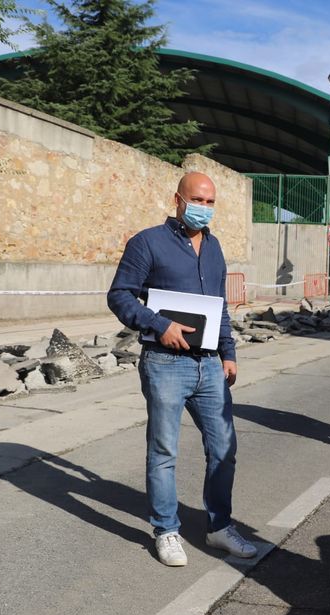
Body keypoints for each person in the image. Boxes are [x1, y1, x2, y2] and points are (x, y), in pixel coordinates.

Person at [106, 172, 257, 567]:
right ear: (178, 199)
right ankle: (166, 530)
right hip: (165, 364)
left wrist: (229, 351)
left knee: (224, 449)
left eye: (210, 202)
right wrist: (159, 325)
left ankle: (219, 527)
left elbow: (220, 305)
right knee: (163, 450)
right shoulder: (147, 243)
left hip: (209, 365)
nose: (204, 208)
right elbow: (119, 295)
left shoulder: (214, 247)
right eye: (197, 200)